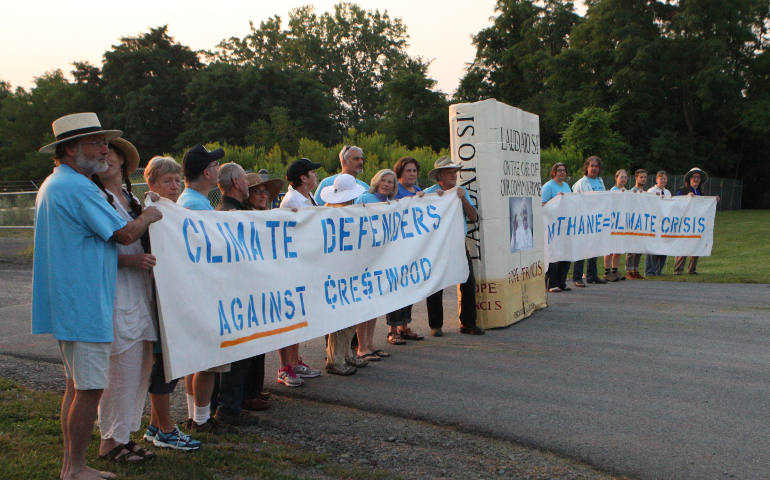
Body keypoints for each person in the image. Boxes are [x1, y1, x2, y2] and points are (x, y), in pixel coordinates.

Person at [33, 112, 161, 480]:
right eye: (96, 142)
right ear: (70, 149)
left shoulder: (56, 183)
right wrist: (150, 215)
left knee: (77, 387)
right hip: (84, 302)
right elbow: (123, 233)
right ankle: (73, 468)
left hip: (73, 301)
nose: (105, 149)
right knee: (89, 388)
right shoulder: (77, 187)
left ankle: (72, 465)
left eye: (105, 142)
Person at [93, 138, 157, 463]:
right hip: (116, 289)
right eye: (101, 153)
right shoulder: (95, 199)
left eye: (111, 153)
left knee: (140, 367)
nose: (105, 158)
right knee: (121, 366)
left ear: (121, 160)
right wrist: (129, 261)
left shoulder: (130, 199)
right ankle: (110, 440)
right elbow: (94, 250)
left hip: (140, 290)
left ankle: (125, 434)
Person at [141, 156, 201, 451]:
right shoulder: (150, 209)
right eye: (167, 181)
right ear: (152, 184)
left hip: (177, 296)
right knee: (165, 363)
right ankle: (165, 427)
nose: (174, 186)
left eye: (177, 180)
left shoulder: (176, 211)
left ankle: (156, 424)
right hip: (159, 299)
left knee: (171, 362)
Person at [177, 144, 230, 433]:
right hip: (204, 289)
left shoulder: (191, 200)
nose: (218, 170)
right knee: (209, 361)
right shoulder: (196, 204)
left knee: (195, 360)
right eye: (215, 166)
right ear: (207, 172)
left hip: (196, 289)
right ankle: (201, 417)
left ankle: (194, 412)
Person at [208, 163, 263, 427]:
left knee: (242, 355)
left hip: (242, 291)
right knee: (236, 357)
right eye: (244, 178)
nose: (246, 182)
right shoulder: (229, 213)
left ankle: (231, 403)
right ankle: (227, 408)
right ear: (235, 182)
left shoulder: (240, 211)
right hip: (235, 294)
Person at [276, 158, 324, 385]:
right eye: (312, 172)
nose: (315, 176)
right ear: (303, 178)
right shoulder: (291, 201)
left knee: (299, 318)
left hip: (305, 267)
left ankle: (295, 361)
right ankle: (286, 366)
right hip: (292, 269)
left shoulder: (306, 197)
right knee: (290, 318)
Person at [423, 156, 483, 336]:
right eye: (449, 172)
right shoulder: (429, 193)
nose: (454, 176)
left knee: (468, 281)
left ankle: (468, 323)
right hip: (437, 244)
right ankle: (435, 325)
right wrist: (424, 198)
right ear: (439, 176)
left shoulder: (461, 191)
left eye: (454, 172)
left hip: (457, 243)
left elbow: (474, 217)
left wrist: (464, 200)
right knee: (435, 284)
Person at [240, 172, 283, 408]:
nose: (263, 195)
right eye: (258, 191)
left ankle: (256, 388)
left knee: (262, 343)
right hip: (250, 286)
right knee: (251, 344)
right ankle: (248, 393)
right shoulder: (244, 217)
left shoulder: (268, 217)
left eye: (265, 191)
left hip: (264, 285)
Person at [320, 174, 370, 374]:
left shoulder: (345, 211)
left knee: (350, 315)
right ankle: (336, 358)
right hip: (337, 270)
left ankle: (346, 354)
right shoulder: (330, 213)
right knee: (341, 317)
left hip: (348, 267)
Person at [352, 169, 399, 358]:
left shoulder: (389, 202)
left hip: (381, 259)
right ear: (376, 181)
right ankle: (361, 346)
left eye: (390, 182)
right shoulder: (365, 198)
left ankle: (370, 344)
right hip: (365, 258)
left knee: (375, 304)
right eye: (384, 181)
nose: (387, 184)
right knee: (365, 304)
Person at [382, 157, 427, 343]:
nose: (412, 174)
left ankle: (404, 326)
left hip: (413, 247)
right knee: (396, 288)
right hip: (395, 247)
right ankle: (392, 330)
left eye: (414, 171)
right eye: (408, 171)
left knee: (409, 287)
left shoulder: (418, 190)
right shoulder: (395, 190)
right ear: (400, 172)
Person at [571, 156, 608, 287]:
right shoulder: (581, 183)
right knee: (582, 249)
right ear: (586, 167)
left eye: (596, 166)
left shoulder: (600, 181)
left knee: (594, 248)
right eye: (591, 166)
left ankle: (592, 275)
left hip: (596, 220)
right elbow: (575, 202)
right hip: (583, 220)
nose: (594, 168)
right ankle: (577, 277)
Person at [542, 162, 572, 293]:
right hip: (552, 225)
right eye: (559, 170)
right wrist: (556, 199)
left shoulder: (566, 186)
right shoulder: (548, 186)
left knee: (565, 254)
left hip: (565, 225)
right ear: (554, 172)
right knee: (553, 254)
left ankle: (562, 282)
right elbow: (542, 204)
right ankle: (552, 283)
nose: (562, 173)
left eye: (564, 170)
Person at [673, 167, 708, 275]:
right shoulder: (682, 190)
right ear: (689, 179)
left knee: (696, 245)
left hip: (697, 222)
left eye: (698, 177)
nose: (696, 179)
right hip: (685, 222)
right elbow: (676, 202)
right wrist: (686, 197)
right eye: (694, 177)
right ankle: (678, 270)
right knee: (683, 245)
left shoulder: (701, 192)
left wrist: (714, 199)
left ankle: (692, 269)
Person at [603, 169, 629, 282]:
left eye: (625, 177)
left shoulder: (626, 191)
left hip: (621, 223)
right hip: (613, 222)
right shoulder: (613, 190)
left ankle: (615, 270)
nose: (623, 179)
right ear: (616, 178)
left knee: (618, 248)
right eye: (621, 177)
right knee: (609, 249)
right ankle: (607, 271)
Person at [645, 170, 671, 277]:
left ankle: (658, 270)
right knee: (652, 248)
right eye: (661, 179)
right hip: (654, 223)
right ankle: (650, 271)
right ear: (657, 179)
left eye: (665, 179)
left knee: (664, 247)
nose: (663, 181)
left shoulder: (668, 192)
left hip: (664, 224)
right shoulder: (651, 191)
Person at [624, 169, 648, 280]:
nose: (643, 179)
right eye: (641, 177)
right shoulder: (632, 191)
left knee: (639, 249)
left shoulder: (645, 193)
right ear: (636, 178)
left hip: (642, 223)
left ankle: (635, 269)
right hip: (633, 223)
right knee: (631, 248)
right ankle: (628, 270)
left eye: (645, 177)